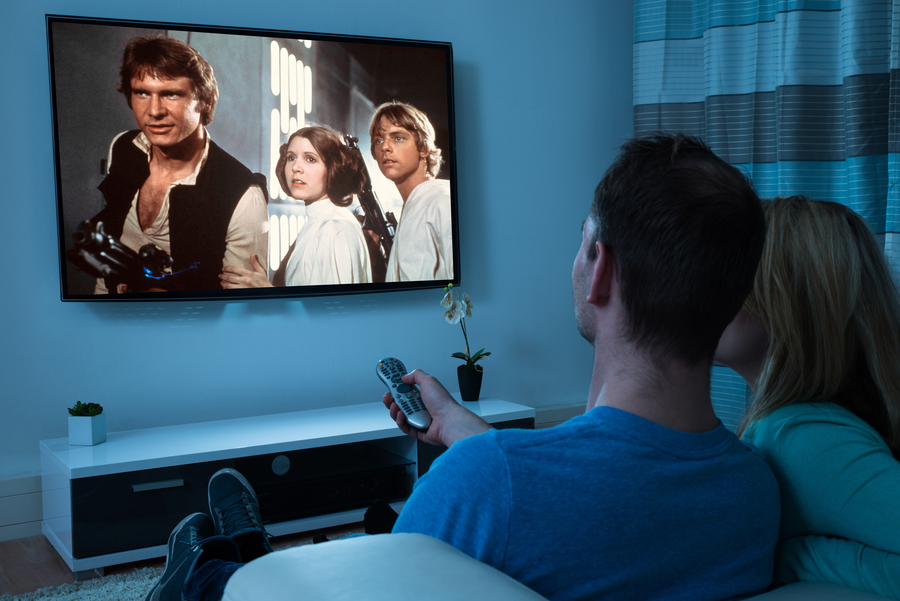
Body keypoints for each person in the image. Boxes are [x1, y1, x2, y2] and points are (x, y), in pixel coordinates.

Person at [144, 133, 780, 601]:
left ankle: (225, 563)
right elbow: (591, 483)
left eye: (583, 242)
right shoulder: (756, 492)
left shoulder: (487, 481)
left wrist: (481, 459)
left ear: (602, 271)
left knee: (216, 571)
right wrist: (461, 427)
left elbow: (372, 588)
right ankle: (249, 544)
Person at [714, 195, 900, 599]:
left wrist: (799, 558)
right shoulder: (799, 428)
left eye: (730, 273)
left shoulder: (801, 438)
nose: (708, 291)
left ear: (785, 299)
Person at [92, 35, 268, 293]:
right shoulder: (124, 148)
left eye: (171, 94)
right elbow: (107, 261)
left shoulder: (243, 195)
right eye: (142, 93)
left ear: (204, 100)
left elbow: (239, 309)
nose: (154, 110)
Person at [219, 126, 371, 288]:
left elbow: (334, 310)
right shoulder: (318, 222)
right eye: (291, 157)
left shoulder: (336, 227)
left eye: (310, 159)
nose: (296, 167)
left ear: (334, 168)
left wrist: (269, 293)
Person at [368, 101, 453, 282]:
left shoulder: (442, 200)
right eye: (379, 140)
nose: (385, 147)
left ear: (423, 148)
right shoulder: (415, 205)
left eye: (398, 138)